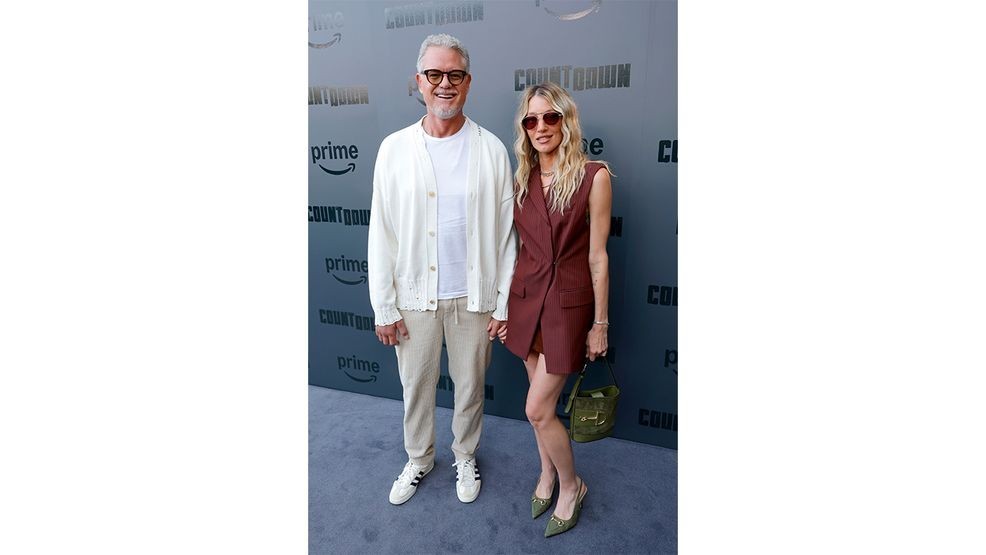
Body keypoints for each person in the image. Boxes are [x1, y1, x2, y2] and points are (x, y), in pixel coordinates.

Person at [367, 33, 516, 506]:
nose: (444, 83)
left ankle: (465, 455)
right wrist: (383, 306)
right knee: (416, 387)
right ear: (419, 81)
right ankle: (419, 458)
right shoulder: (394, 149)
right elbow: (381, 232)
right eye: (434, 74)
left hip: (474, 296)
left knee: (470, 388)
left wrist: (503, 302)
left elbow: (507, 235)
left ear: (468, 82)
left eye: (455, 74)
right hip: (414, 297)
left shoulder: (492, 150)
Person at [499, 82, 613, 537]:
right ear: (524, 129)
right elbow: (515, 250)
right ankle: (546, 473)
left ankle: (571, 486)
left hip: (567, 307)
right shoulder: (521, 180)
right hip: (526, 302)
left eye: (551, 117)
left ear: (566, 121)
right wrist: (500, 308)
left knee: (537, 408)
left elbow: (598, 257)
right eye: (531, 120)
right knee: (539, 407)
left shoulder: (593, 176)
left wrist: (600, 323)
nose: (541, 127)